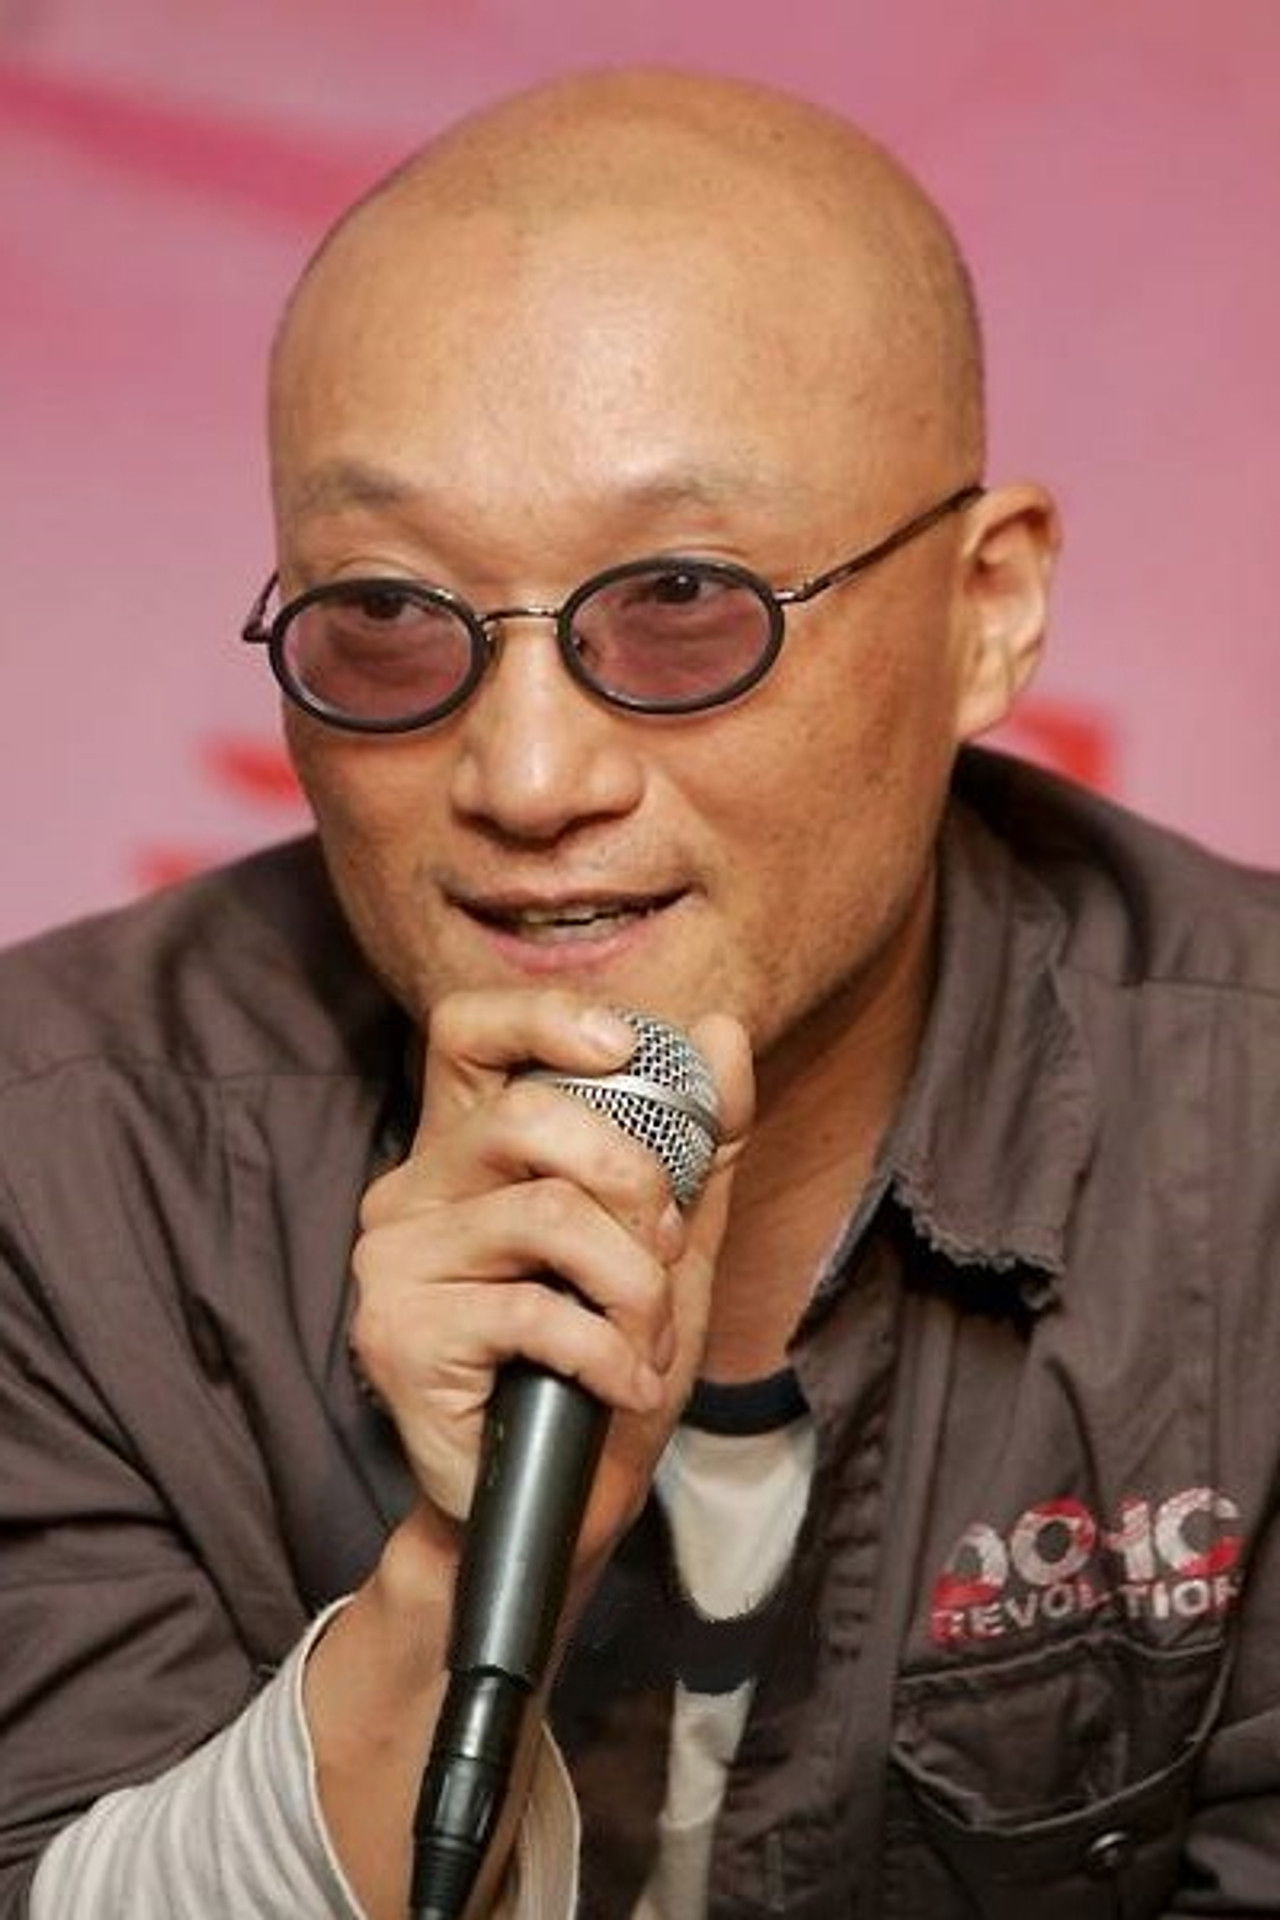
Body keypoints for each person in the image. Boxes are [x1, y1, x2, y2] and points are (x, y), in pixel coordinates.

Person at [2, 61, 1279, 1920]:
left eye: (684, 602)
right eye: (385, 618)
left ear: (986, 608)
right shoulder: (58, 1169)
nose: (528, 779)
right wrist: (445, 1582)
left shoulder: (1249, 1138)